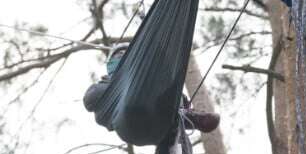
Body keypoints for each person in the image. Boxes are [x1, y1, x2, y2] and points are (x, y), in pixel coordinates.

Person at [82, 44, 221, 135]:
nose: (123, 57)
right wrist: (115, 88)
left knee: (164, 90)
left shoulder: (146, 77)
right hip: (126, 121)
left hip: (152, 117)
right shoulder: (100, 87)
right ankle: (183, 119)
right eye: (119, 55)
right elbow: (91, 101)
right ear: (111, 64)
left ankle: (187, 119)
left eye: (126, 55)